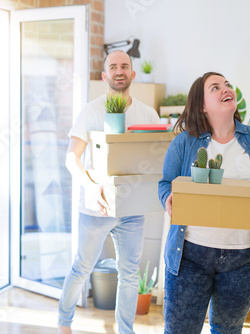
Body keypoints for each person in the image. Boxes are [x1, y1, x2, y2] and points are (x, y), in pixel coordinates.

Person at [158, 72, 250, 334]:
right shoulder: (184, 143)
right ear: (202, 105)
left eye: (226, 84)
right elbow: (165, 184)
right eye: (215, 87)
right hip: (190, 256)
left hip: (244, 260)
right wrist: (168, 198)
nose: (225, 89)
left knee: (227, 329)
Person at [58, 50, 161, 334]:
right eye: (113, 66)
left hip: (132, 209)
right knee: (82, 268)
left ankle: (125, 331)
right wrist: (92, 187)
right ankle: (63, 325)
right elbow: (71, 158)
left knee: (129, 274)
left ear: (132, 74)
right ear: (104, 76)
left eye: (124, 66)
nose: (119, 71)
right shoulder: (91, 110)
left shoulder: (147, 114)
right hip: (96, 208)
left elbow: (154, 160)